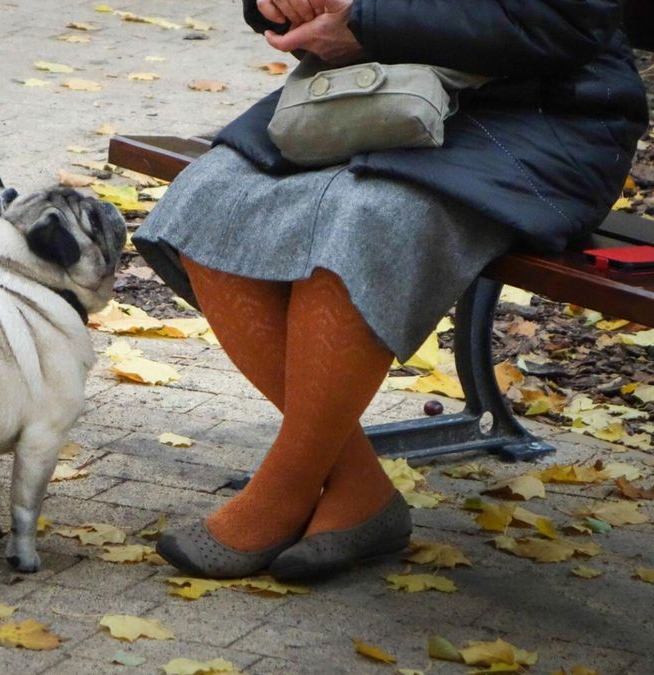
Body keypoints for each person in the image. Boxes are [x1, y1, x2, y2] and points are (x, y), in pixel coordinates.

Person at [133, 0, 648, 580]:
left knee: (365, 217)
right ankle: (360, 492)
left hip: (543, 116)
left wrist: (367, 22)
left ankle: (282, 493)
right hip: (374, 95)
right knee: (213, 197)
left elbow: (568, 21)